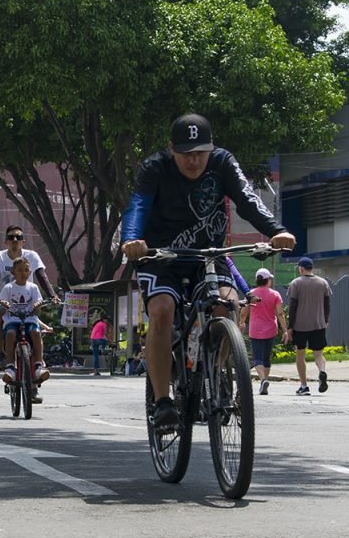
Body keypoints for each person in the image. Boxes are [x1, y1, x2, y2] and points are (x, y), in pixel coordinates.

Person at [122, 113, 296, 427]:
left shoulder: (222, 163)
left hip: (209, 256)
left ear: (211, 147)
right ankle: (163, 401)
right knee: (161, 311)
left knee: (228, 304)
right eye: (186, 154)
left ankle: (216, 374)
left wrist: (275, 231)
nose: (194, 160)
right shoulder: (154, 168)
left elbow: (246, 198)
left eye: (200, 152)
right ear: (171, 149)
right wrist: (132, 239)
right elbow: (138, 205)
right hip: (160, 257)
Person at [0, 226, 61, 370]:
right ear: (6, 242)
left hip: (29, 303)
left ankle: (38, 362)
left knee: (35, 331)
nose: (14, 240)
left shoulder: (32, 256)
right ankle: (2, 351)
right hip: (5, 302)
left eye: (18, 237)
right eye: (11, 237)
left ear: (23, 241)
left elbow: (41, 276)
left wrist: (53, 296)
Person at [283, 257, 332, 396]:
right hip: (318, 324)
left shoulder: (296, 283)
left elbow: (293, 306)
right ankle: (322, 371)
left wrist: (290, 327)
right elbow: (327, 304)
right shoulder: (323, 283)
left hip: (300, 326)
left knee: (300, 355)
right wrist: (325, 320)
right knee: (318, 354)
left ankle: (304, 386)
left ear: (301, 268)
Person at [0, 257, 49, 384]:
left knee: (36, 333)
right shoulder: (8, 288)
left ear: (30, 272)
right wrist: (4, 305)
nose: (23, 273)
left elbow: (38, 307)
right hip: (13, 320)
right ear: (13, 272)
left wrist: (38, 305)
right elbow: (2, 310)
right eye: (20, 270)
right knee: (10, 334)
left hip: (29, 320)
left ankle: (38, 366)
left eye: (26, 270)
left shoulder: (33, 288)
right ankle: (10, 367)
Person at [241, 267, 286, 395]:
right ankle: (264, 381)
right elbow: (280, 313)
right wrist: (285, 330)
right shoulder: (275, 294)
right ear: (267, 280)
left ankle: (263, 380)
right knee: (266, 358)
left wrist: (242, 322)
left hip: (255, 330)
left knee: (257, 358)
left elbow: (244, 310)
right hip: (270, 330)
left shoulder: (251, 293)